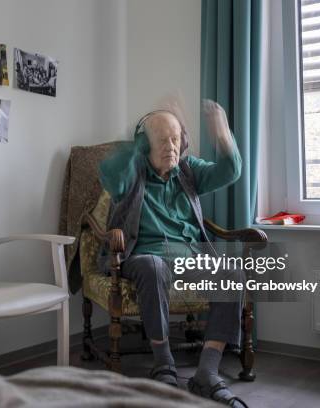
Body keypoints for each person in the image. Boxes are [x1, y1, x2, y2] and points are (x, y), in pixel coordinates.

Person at [98, 101, 247, 408]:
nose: (171, 146)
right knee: (153, 267)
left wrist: (221, 132)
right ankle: (163, 361)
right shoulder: (133, 172)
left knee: (232, 273)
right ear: (144, 145)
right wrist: (135, 147)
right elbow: (109, 174)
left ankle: (206, 371)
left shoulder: (189, 171)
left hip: (189, 255)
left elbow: (231, 171)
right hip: (144, 254)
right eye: (162, 139)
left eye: (176, 139)